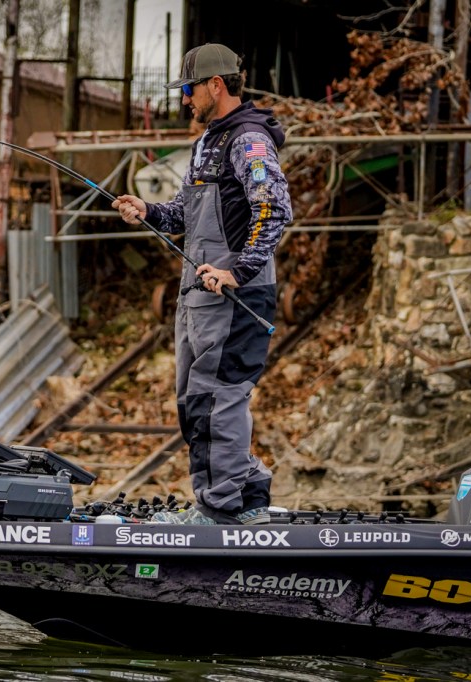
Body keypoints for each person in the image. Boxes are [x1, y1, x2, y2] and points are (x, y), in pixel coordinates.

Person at [112, 43, 292, 526]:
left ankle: (219, 509)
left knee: (217, 400)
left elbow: (273, 209)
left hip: (234, 296)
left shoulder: (249, 140)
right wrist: (148, 211)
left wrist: (238, 271)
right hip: (199, 298)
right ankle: (247, 496)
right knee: (195, 404)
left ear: (216, 85)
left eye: (190, 89)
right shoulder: (207, 143)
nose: (185, 99)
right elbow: (183, 215)